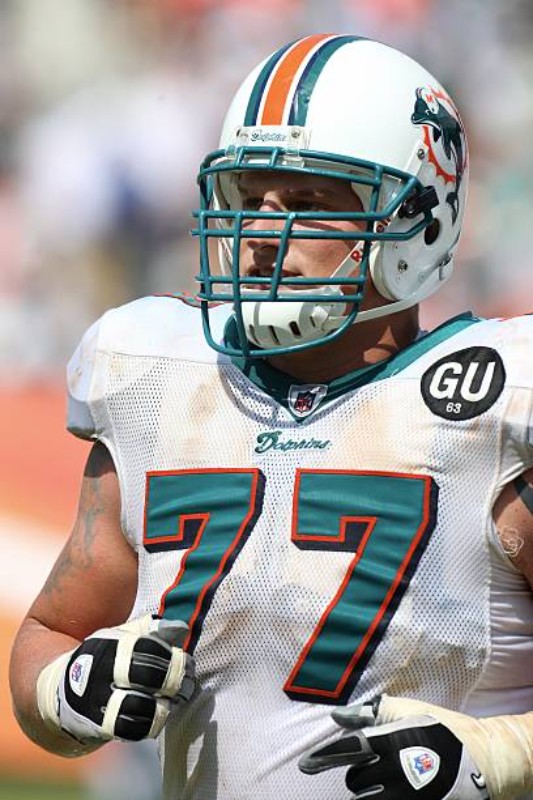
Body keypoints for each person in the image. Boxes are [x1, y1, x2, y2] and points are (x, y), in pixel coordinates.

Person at [9, 32, 533, 800]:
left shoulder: (496, 404)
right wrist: (66, 691)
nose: (261, 231)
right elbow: (52, 634)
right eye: (249, 198)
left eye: (308, 204)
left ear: (418, 221)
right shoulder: (155, 377)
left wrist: (498, 754)